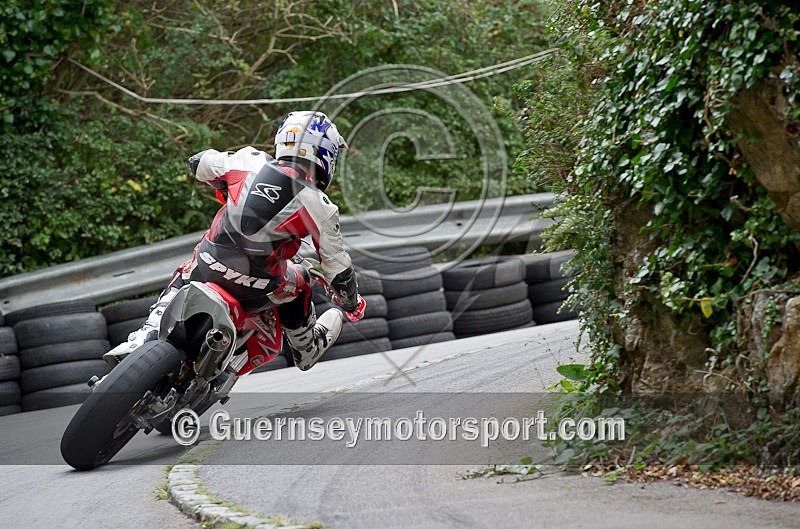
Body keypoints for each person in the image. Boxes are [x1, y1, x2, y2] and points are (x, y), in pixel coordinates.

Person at [103, 111, 364, 371]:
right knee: (303, 280)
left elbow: (198, 163)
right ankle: (307, 348)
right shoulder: (321, 206)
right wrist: (351, 304)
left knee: (186, 271)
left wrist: (224, 185)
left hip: (209, 264)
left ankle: (146, 334)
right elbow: (339, 272)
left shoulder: (248, 159)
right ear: (325, 153)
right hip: (260, 285)